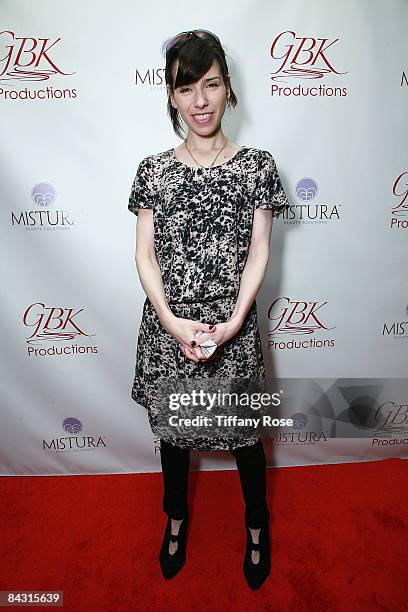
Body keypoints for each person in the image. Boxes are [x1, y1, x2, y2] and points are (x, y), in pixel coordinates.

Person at [128, 29, 290, 590]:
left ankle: (256, 525)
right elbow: (144, 255)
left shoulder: (258, 167)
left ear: (229, 90)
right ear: (171, 96)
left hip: (233, 325)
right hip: (170, 326)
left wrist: (236, 319)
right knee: (174, 435)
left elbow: (260, 249)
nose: (200, 100)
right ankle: (175, 520)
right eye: (186, 87)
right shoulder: (153, 170)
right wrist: (173, 324)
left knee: (245, 436)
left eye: (211, 84)